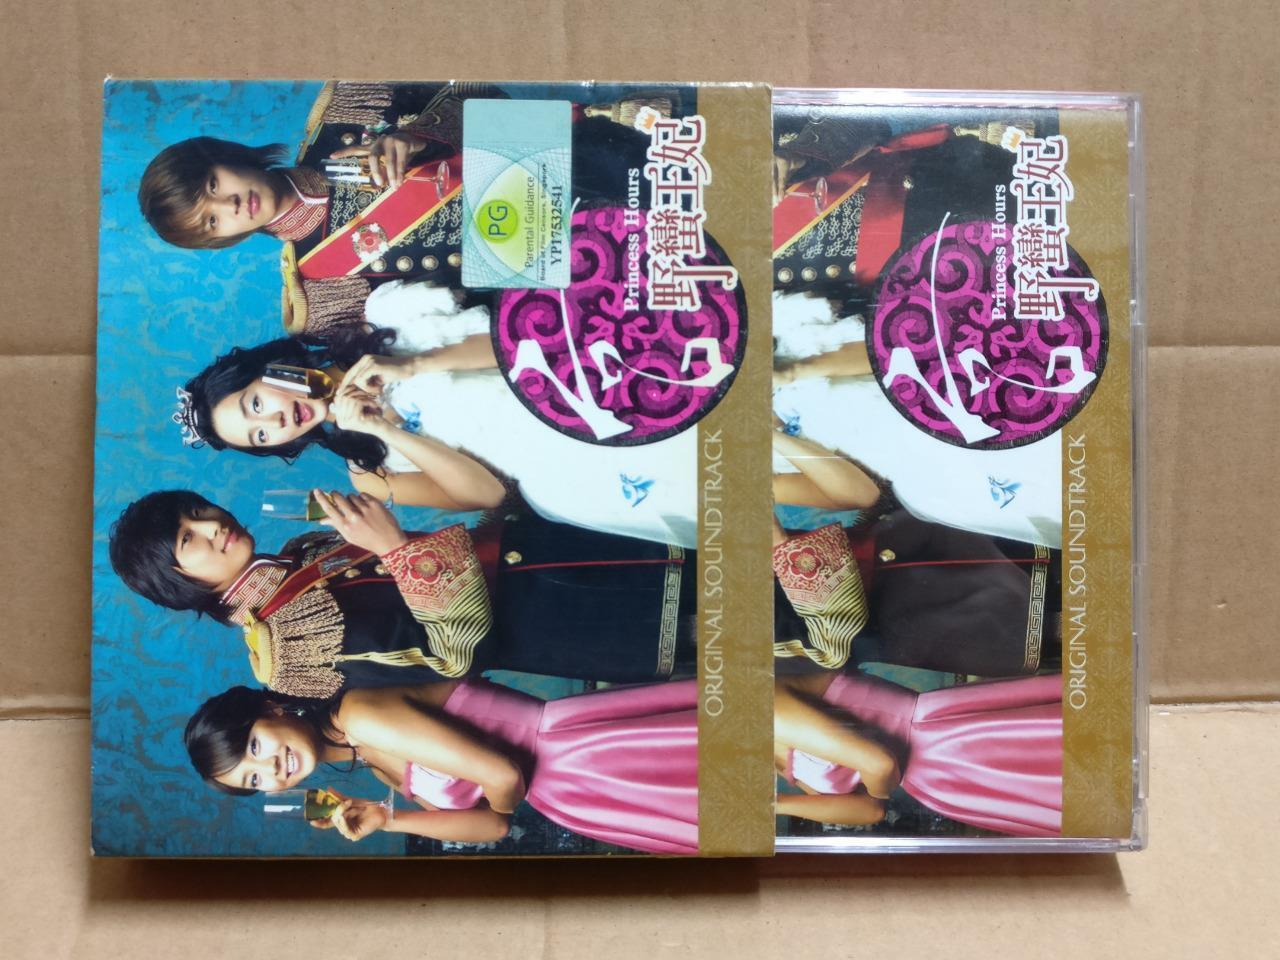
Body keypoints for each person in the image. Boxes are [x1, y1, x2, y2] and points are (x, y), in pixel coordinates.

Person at [139, 82, 662, 339]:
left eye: (214, 184)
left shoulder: (347, 110)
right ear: (220, 239)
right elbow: (453, 331)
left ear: (225, 156)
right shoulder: (321, 292)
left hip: (594, 159)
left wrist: (420, 136)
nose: (231, 204)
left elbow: (483, 89)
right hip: (586, 265)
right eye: (213, 220)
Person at [108, 488, 696, 697]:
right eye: (188, 539)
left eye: (197, 512)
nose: (212, 526)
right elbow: (452, 658)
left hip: (562, 551)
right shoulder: (288, 651)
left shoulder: (300, 551)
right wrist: (393, 547)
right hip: (582, 619)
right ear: (178, 582)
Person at [177, 324, 699, 548]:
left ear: (264, 370)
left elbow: (520, 337)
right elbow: (488, 494)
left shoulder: (378, 324)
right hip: (573, 471)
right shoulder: (369, 474)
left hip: (581, 380)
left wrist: (412, 364)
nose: (274, 422)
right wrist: (382, 429)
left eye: (255, 405)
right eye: (260, 436)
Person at [185, 677, 699, 854]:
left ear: (271, 708)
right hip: (572, 797)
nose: (272, 767)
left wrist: (504, 798)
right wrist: (387, 820)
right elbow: (493, 827)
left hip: (582, 753)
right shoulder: (371, 764)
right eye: (255, 779)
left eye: (255, 746)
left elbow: (505, 779)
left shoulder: (361, 716)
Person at [772, 290, 1063, 547]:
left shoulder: (785, 341)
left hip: (950, 399)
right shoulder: (766, 471)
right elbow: (863, 494)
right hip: (927, 472)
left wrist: (794, 372)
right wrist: (771, 435)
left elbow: (894, 354)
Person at [771, 430, 1060, 677]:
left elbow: (863, 494)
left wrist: (770, 435)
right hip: (915, 616)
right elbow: (829, 648)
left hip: (919, 541)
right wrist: (777, 543)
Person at [774, 669, 1062, 838]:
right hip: (937, 785)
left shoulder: (770, 710)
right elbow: (870, 811)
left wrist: (878, 787)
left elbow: (880, 765)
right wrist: (776, 804)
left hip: (946, 738)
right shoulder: (775, 761)